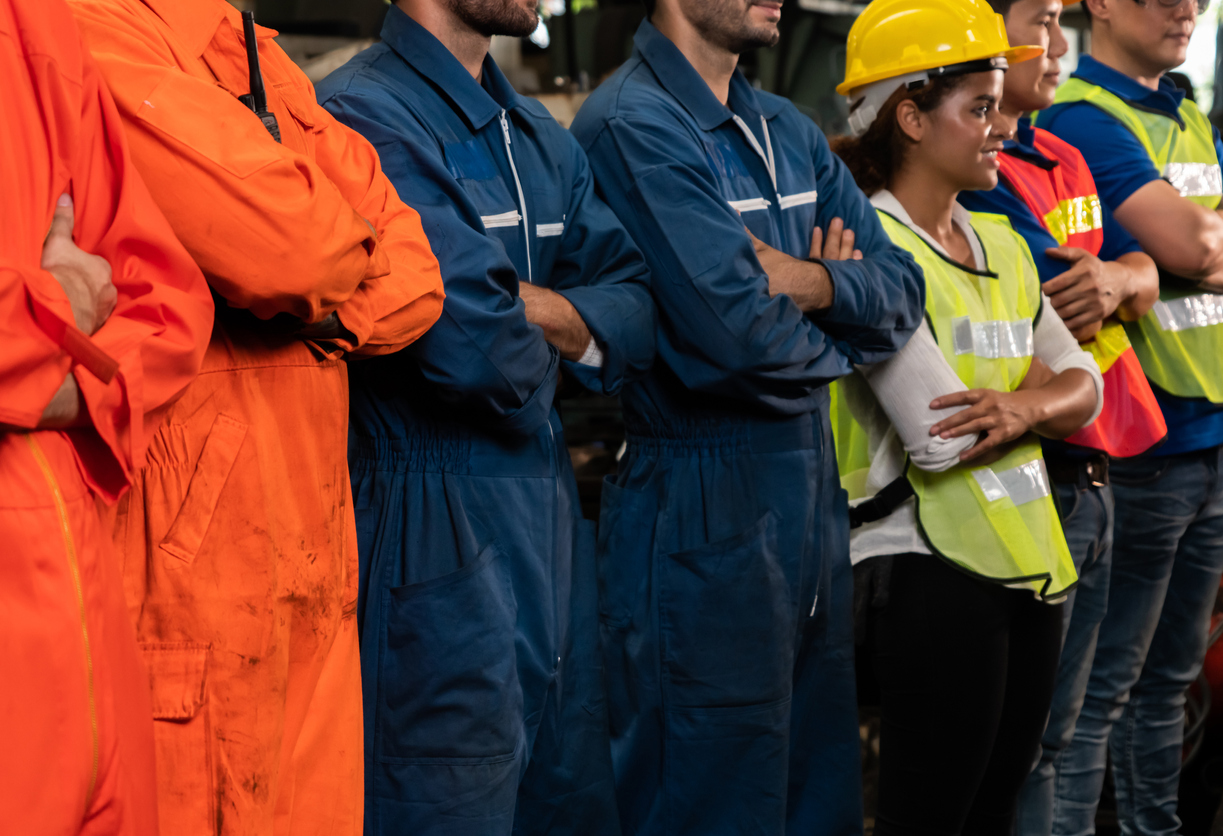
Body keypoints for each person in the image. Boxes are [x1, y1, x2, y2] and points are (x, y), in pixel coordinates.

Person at [65, 1, 446, 832]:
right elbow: (296, 251)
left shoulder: (249, 50)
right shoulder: (94, 28)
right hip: (189, 577)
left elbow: (417, 277)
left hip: (308, 566)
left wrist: (315, 305)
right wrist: (324, 274)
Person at [570, 0, 926, 827]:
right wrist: (842, 335)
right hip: (698, 501)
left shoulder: (785, 130)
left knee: (814, 795)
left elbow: (903, 291)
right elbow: (733, 339)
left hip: (803, 501)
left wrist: (808, 282)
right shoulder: (633, 126)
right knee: (708, 799)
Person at [316, 0, 654, 832]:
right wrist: (571, 323)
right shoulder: (360, 116)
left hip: (547, 524)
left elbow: (640, 313)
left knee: (568, 802)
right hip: (427, 527)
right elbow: (474, 350)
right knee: (443, 803)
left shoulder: (535, 131)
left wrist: (527, 311)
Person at [830, 0, 1106, 830]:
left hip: (1023, 559)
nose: (999, 127)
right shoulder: (870, 245)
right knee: (931, 815)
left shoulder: (1003, 244)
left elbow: (1083, 384)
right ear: (908, 117)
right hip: (919, 567)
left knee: (989, 811)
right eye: (978, 107)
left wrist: (1021, 404)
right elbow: (940, 439)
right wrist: (1042, 403)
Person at [0, 0, 213, 832]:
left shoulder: (38, 22)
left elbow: (168, 298)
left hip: (81, 600)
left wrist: (48, 385)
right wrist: (65, 302)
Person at [1033, 0, 1223, 827]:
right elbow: (1195, 247)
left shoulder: (1184, 113)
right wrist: (1206, 243)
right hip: (1141, 446)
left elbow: (1195, 244)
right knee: (1099, 700)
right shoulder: (1088, 117)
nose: (1183, 8)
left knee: (1167, 687)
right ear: (1101, 5)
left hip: (1212, 438)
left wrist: (1198, 242)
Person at [955, 0, 1163, 829]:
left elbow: (1128, 271)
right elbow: (1065, 294)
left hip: (1099, 463)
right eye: (1038, 19)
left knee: (1073, 731)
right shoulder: (976, 186)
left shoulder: (1063, 154)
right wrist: (1125, 279)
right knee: (1025, 744)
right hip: (1033, 477)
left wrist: (1124, 278)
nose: (1055, 42)